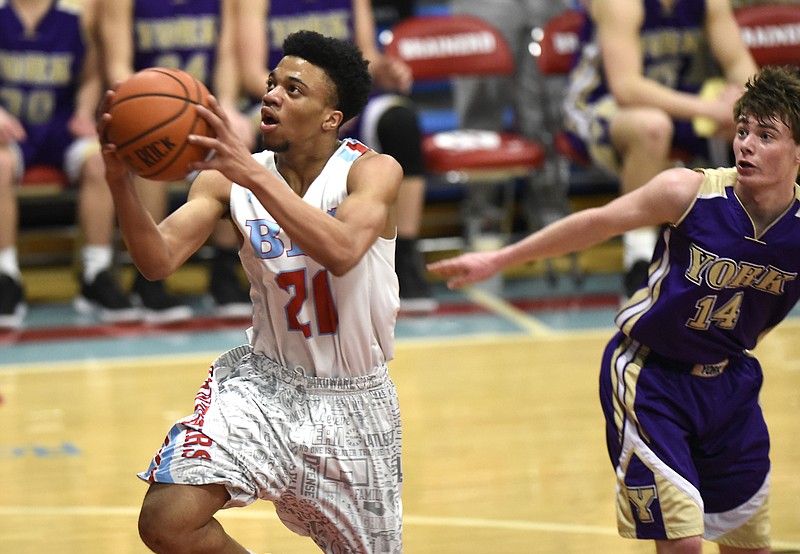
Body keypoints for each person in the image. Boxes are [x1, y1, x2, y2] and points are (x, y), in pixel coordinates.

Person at [429, 64, 800, 554]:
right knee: (684, 548)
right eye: (743, 129)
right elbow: (598, 222)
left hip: (730, 385)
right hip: (651, 379)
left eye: (765, 136)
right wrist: (500, 258)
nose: (745, 144)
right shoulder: (689, 193)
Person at [99, 30, 414, 554]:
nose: (271, 95)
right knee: (166, 519)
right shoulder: (227, 178)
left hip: (353, 404)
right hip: (265, 387)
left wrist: (252, 174)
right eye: (271, 83)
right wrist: (120, 179)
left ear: (330, 117)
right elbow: (156, 260)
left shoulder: (371, 173)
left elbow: (342, 250)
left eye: (293, 89)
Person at [233, 0, 438, 314]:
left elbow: (367, 56)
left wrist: (384, 69)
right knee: (240, 136)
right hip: (285, 99)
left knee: (402, 123)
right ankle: (228, 266)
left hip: (343, 103)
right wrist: (304, 98)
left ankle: (405, 256)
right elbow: (250, 74)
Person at [562, 0, 759, 296]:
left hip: (668, 97)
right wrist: (709, 110)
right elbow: (626, 88)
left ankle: (753, 243)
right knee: (652, 127)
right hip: (597, 104)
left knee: (757, 121)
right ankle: (638, 257)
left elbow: (738, 64)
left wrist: (743, 98)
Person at [98, 0, 255, 322]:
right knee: (147, 148)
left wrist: (224, 105)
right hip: (143, 105)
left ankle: (224, 270)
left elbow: (226, 57)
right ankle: (147, 278)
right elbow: (117, 65)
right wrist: (143, 108)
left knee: (235, 139)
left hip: (199, 108)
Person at [0, 0, 139, 330]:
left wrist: (83, 108)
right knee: (0, 165)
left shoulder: (77, 10)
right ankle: (5, 275)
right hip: (12, 126)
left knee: (101, 161)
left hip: (61, 125)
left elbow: (92, 71)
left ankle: (96, 272)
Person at [448, 0, 574, 238]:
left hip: (547, 6)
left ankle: (550, 208)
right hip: (485, 7)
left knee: (547, 112)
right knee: (481, 109)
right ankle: (481, 214)